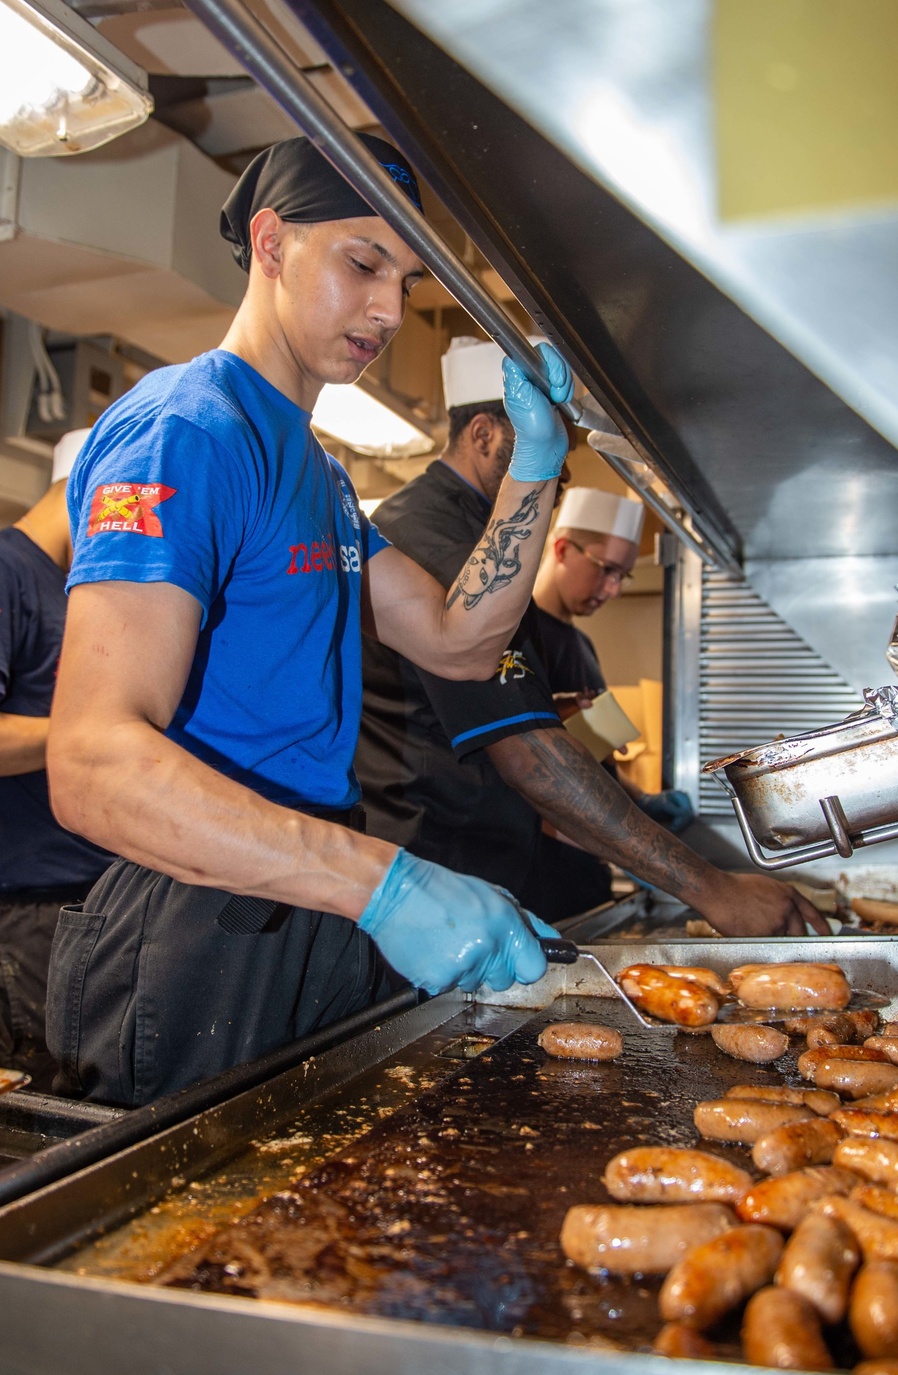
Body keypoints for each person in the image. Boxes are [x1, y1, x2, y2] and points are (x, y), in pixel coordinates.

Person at [44, 135, 576, 1109]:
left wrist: (536, 470)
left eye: (405, 278)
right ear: (271, 241)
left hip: (309, 886)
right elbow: (90, 763)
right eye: (362, 261)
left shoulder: (320, 470)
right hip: (198, 912)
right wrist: (390, 887)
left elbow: (460, 638)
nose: (386, 308)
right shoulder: (186, 430)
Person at [356, 337, 827, 932]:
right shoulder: (439, 541)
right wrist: (713, 889)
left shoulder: (476, 532)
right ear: (482, 435)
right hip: (440, 877)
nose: (566, 470)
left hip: (480, 868)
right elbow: (528, 756)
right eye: (536, 440)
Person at [0, 430, 112, 1087]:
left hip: (89, 900)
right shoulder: (10, 571)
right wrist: (92, 732)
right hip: (28, 913)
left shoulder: (75, 584)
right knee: (36, 1117)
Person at [527, 484, 694, 910]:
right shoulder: (519, 640)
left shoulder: (582, 645)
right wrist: (631, 849)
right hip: (538, 878)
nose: (614, 588)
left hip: (588, 878)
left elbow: (590, 753)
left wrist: (640, 800)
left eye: (623, 575)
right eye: (607, 569)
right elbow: (526, 777)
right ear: (562, 549)